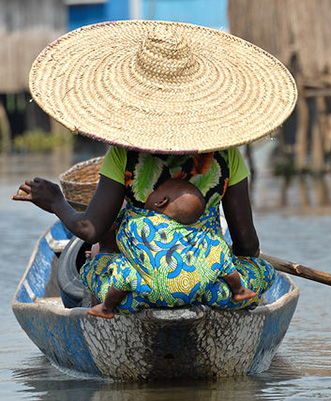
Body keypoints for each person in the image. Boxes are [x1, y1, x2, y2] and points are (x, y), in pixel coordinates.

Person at [12, 20, 297, 316]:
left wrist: (56, 200)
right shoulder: (227, 159)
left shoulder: (125, 157)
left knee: (97, 266)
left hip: (141, 290)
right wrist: (234, 271)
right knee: (260, 271)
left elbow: (90, 229)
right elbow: (247, 243)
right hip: (208, 286)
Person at [87, 178, 257, 319]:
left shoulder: (137, 225)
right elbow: (247, 247)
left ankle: (107, 308)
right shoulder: (206, 240)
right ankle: (240, 290)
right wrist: (238, 286)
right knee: (222, 258)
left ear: (161, 201)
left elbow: (91, 230)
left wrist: (60, 203)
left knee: (122, 267)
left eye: (155, 189)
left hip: (146, 295)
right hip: (198, 292)